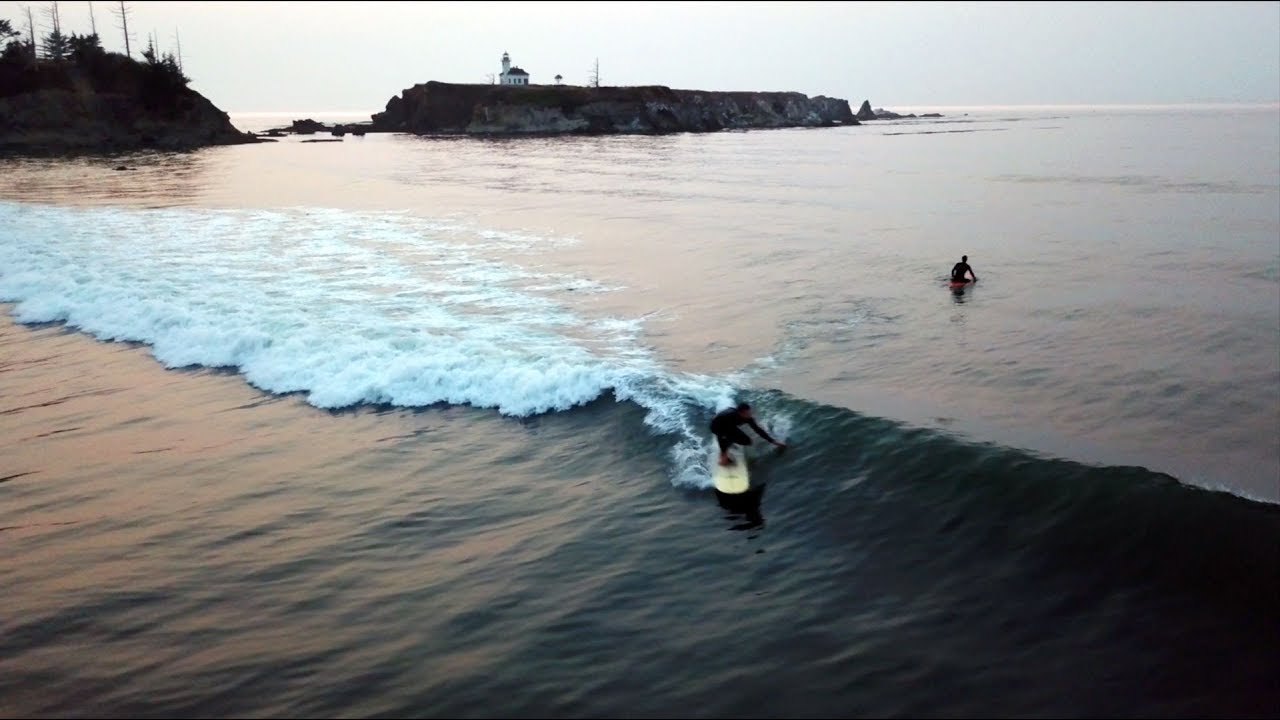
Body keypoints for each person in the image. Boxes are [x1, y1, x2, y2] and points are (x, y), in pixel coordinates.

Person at [711, 402, 786, 466]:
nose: (749, 414)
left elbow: (758, 430)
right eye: (747, 413)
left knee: (744, 440)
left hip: (727, 425)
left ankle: (726, 455)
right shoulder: (730, 417)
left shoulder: (748, 418)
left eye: (749, 412)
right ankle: (723, 460)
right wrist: (724, 444)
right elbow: (721, 431)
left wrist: (774, 442)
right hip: (717, 426)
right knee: (729, 439)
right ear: (740, 413)